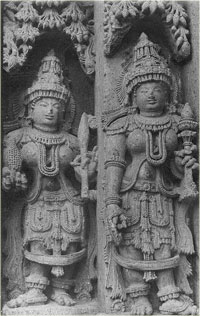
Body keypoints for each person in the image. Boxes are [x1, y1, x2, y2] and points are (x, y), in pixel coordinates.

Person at [104, 33, 198, 315]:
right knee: (131, 240)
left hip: (162, 191)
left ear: (169, 91)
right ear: (132, 93)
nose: (152, 93)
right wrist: (111, 201)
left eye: (158, 87)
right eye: (144, 88)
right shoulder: (123, 124)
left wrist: (184, 165)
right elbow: (114, 163)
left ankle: (169, 292)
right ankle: (137, 296)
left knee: (164, 240)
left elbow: (175, 164)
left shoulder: (175, 122)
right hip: (130, 192)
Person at [2, 50, 97, 308]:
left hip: (68, 197)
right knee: (37, 239)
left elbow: (83, 171)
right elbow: (10, 169)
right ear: (30, 109)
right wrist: (10, 178)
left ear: (66, 110)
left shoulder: (73, 141)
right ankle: (35, 286)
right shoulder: (18, 138)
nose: (50, 110)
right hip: (36, 197)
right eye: (43, 104)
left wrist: (85, 172)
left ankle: (62, 288)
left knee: (69, 239)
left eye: (57, 105)